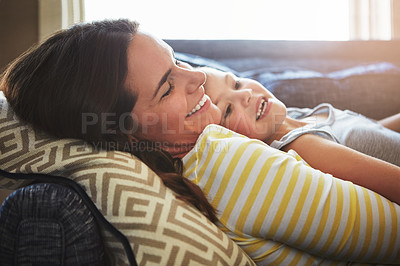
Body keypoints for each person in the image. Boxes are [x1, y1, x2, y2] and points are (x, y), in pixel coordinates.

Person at [1, 19, 400, 264]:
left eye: (179, 62)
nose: (198, 79)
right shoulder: (229, 163)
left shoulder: (208, 150)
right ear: (126, 132)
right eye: (166, 87)